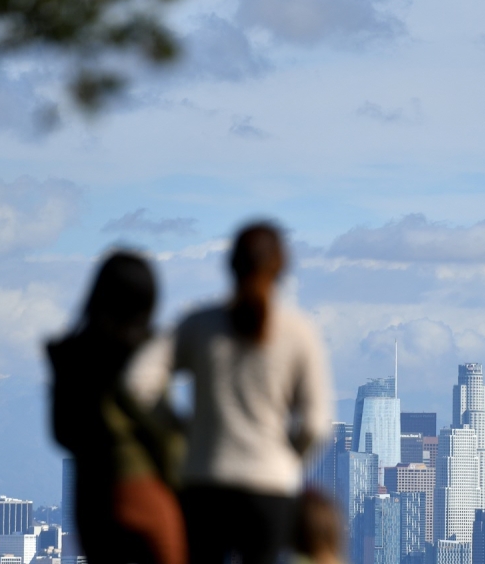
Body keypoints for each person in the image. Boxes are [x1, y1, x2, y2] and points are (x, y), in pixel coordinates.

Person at [174, 222, 335, 564]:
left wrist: (184, 433)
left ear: (230, 265)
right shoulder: (299, 331)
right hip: (269, 487)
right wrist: (287, 459)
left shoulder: (199, 324)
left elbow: (138, 384)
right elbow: (317, 424)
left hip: (206, 481)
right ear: (281, 267)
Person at [49, 251, 186, 564]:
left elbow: (61, 432)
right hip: (144, 487)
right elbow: (164, 436)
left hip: (91, 495)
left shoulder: (69, 355)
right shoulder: (146, 353)